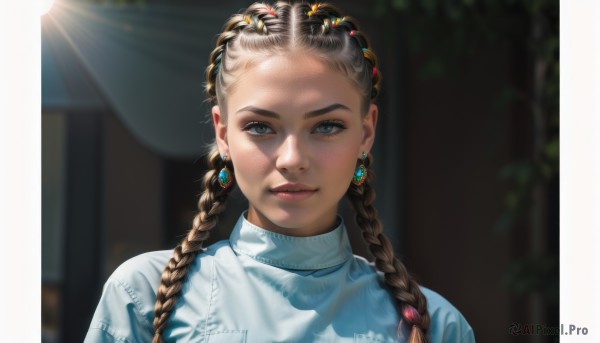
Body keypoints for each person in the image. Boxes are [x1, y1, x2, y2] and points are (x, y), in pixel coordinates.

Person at [85, 2, 475, 342]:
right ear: (223, 133)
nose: (292, 158)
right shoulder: (142, 296)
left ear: (366, 132)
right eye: (260, 126)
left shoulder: (434, 326)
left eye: (326, 126)